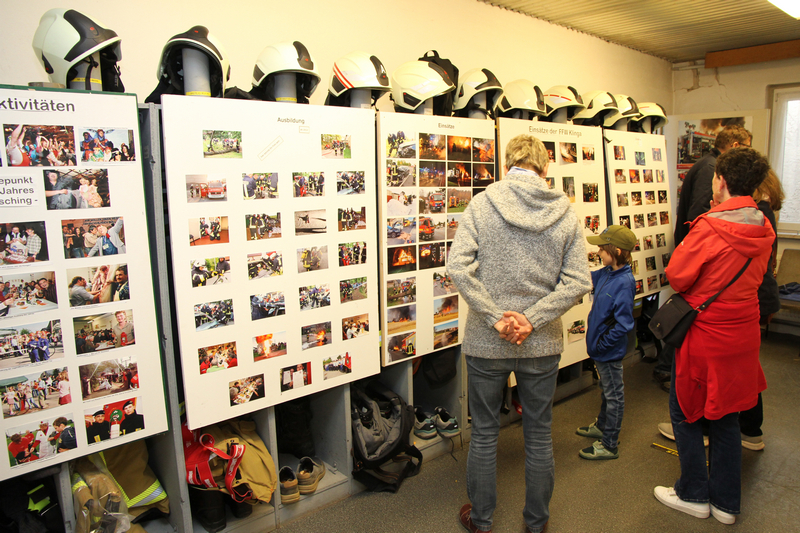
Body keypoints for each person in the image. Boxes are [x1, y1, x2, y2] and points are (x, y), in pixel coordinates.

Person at [448, 134, 592, 533]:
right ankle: (536, 523)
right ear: (545, 168)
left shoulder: (482, 204)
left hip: (486, 340)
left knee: (484, 435)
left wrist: (497, 319)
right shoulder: (565, 212)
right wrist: (532, 319)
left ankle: (481, 521)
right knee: (540, 436)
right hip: (541, 342)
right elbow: (578, 281)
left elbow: (458, 266)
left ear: (505, 165)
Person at [654, 147, 774, 525]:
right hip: (744, 332)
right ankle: (725, 503)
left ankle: (693, 493)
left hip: (706, 334)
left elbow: (678, 276)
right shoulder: (764, 225)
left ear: (720, 181)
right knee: (727, 415)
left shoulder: (709, 225)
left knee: (685, 411)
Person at [654, 125, 752, 390]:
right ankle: (666, 368)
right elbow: (697, 216)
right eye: (746, 145)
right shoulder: (711, 168)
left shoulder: (707, 164)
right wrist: (694, 253)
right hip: (698, 258)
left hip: (698, 257)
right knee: (691, 313)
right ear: (735, 146)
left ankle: (667, 367)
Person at [576, 225, 636, 460]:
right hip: (600, 349)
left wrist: (602, 345)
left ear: (617, 251)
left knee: (614, 395)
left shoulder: (624, 282)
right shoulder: (607, 273)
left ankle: (609, 444)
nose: (598, 252)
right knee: (606, 390)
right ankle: (602, 426)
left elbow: (624, 324)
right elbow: (585, 278)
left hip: (608, 350)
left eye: (602, 249)